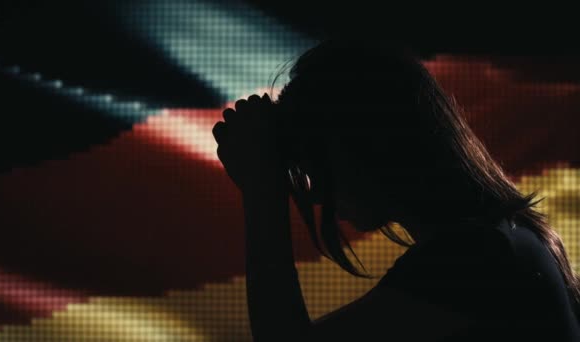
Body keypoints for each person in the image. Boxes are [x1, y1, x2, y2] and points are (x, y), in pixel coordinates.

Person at [212, 37, 580, 341]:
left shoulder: (474, 257)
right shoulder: (507, 237)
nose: (318, 193)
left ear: (365, 150)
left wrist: (263, 193)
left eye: (317, 165)